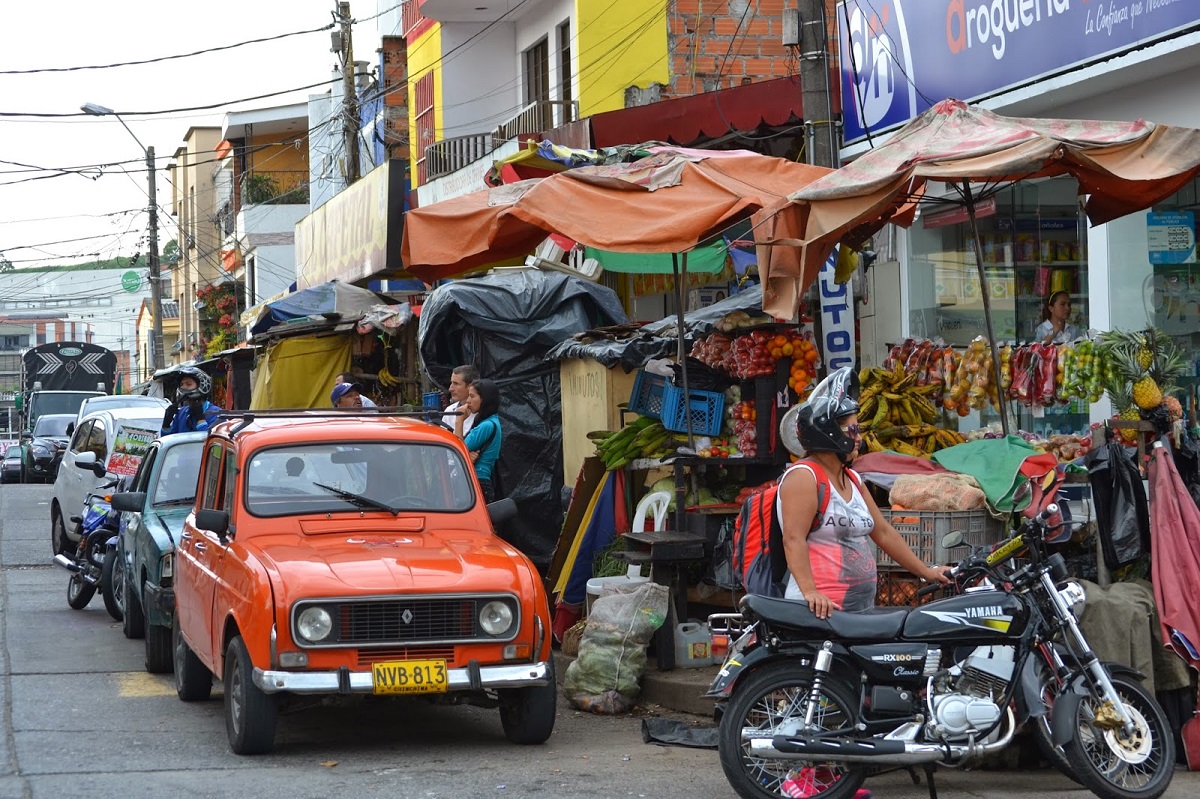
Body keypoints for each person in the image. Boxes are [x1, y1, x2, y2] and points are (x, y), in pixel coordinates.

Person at [777, 368, 949, 619]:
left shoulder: (852, 479)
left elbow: (883, 532)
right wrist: (810, 592)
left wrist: (926, 571)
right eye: (852, 430)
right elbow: (793, 539)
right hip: (817, 613)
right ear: (829, 433)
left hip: (856, 612)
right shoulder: (805, 476)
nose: (858, 438)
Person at [458, 378, 501, 502]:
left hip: (478, 481)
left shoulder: (487, 426)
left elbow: (458, 451)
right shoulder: (492, 421)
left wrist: (459, 420)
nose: (468, 401)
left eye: (472, 396)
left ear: (484, 399)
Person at [161, 367, 220, 436]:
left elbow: (213, 439)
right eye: (181, 384)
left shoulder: (216, 413)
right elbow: (170, 439)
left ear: (201, 386)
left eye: (188, 384)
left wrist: (201, 419)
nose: (183, 387)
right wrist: (166, 425)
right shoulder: (181, 413)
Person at [442, 364, 479, 433]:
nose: (450, 389)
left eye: (456, 384)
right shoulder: (449, 411)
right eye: (451, 383)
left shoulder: (483, 413)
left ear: (470, 386)